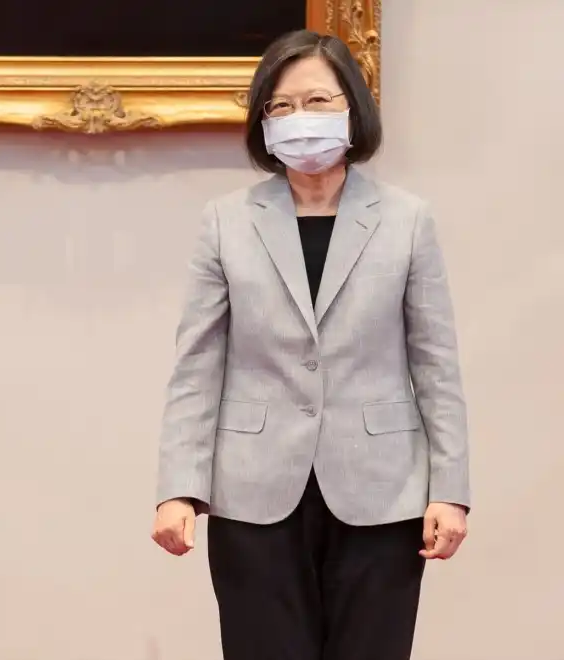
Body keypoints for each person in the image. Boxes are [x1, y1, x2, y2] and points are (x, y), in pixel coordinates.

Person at [151, 30, 470, 660]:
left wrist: (450, 490)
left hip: (385, 495)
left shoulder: (407, 220)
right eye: (281, 106)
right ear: (262, 122)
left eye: (318, 101)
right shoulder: (226, 222)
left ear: (352, 107)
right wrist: (176, 488)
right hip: (253, 495)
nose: (301, 120)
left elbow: (436, 364)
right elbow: (196, 367)